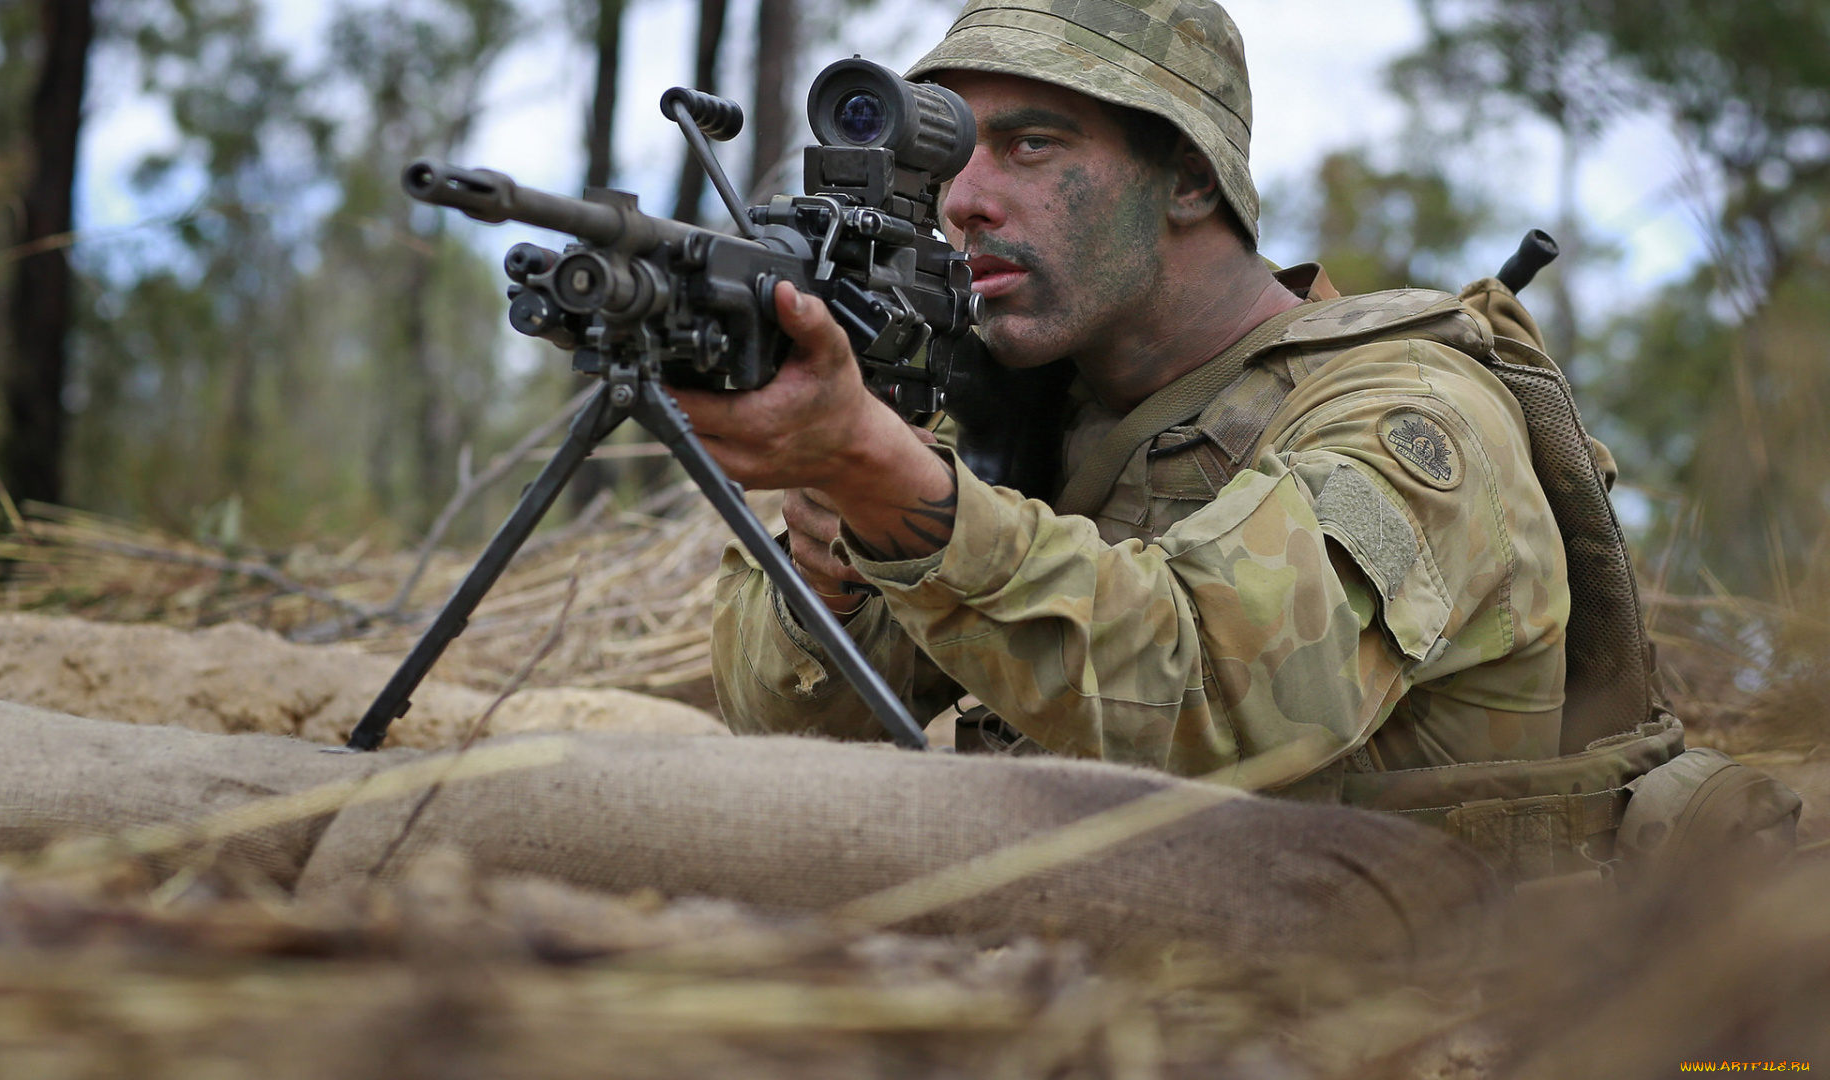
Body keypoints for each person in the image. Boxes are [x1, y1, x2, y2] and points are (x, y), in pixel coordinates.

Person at [669, 0, 1582, 803]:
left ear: (1188, 178)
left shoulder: (1404, 411)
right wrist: (836, 558)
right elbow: (800, 736)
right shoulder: (1019, 407)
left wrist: (901, 490)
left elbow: (1229, 705)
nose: (967, 200)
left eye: (1031, 145)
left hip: (1406, 979)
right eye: (952, 153)